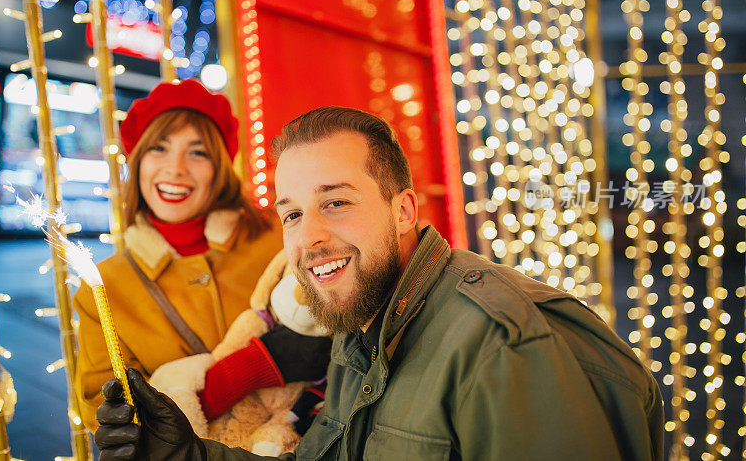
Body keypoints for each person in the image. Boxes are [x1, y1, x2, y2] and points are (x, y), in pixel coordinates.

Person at [92, 106, 664, 460]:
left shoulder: (499, 344)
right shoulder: (361, 320)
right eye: (291, 214)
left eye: (336, 203)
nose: (309, 238)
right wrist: (190, 455)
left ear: (402, 210)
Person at [73, 79, 329, 432]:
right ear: (138, 161)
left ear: (220, 168)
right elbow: (110, 420)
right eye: (158, 149)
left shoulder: (282, 234)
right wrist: (248, 369)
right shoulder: (102, 290)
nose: (175, 168)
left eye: (197, 152)